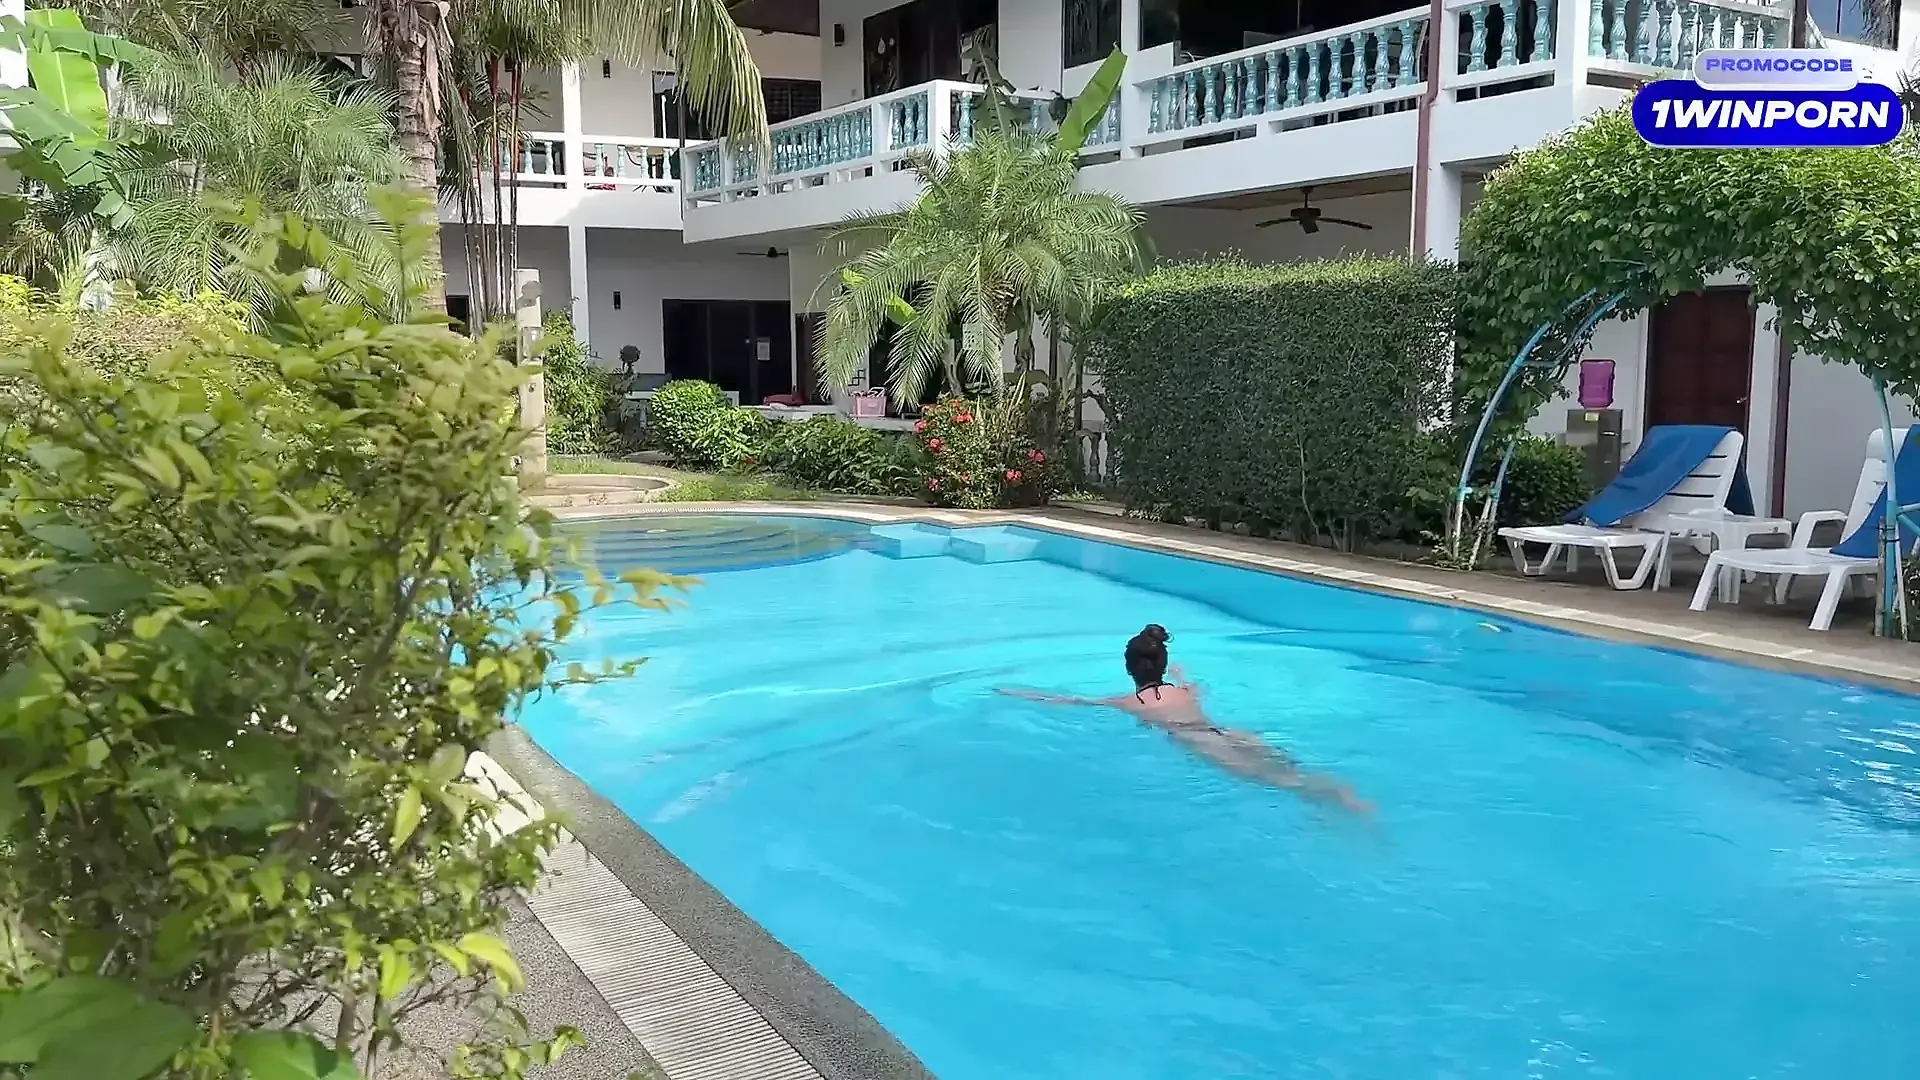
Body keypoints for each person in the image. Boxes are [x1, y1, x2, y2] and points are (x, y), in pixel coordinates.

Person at [997, 624, 1371, 815]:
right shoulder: (1183, 692)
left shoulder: (1129, 702)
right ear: (1161, 664)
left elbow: (1070, 701)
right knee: (1286, 766)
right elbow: (1195, 687)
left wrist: (1020, 693)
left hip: (1198, 741)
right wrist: (1179, 673)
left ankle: (1337, 801)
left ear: (1129, 669)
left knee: (1279, 781)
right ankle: (1338, 792)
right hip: (1225, 730)